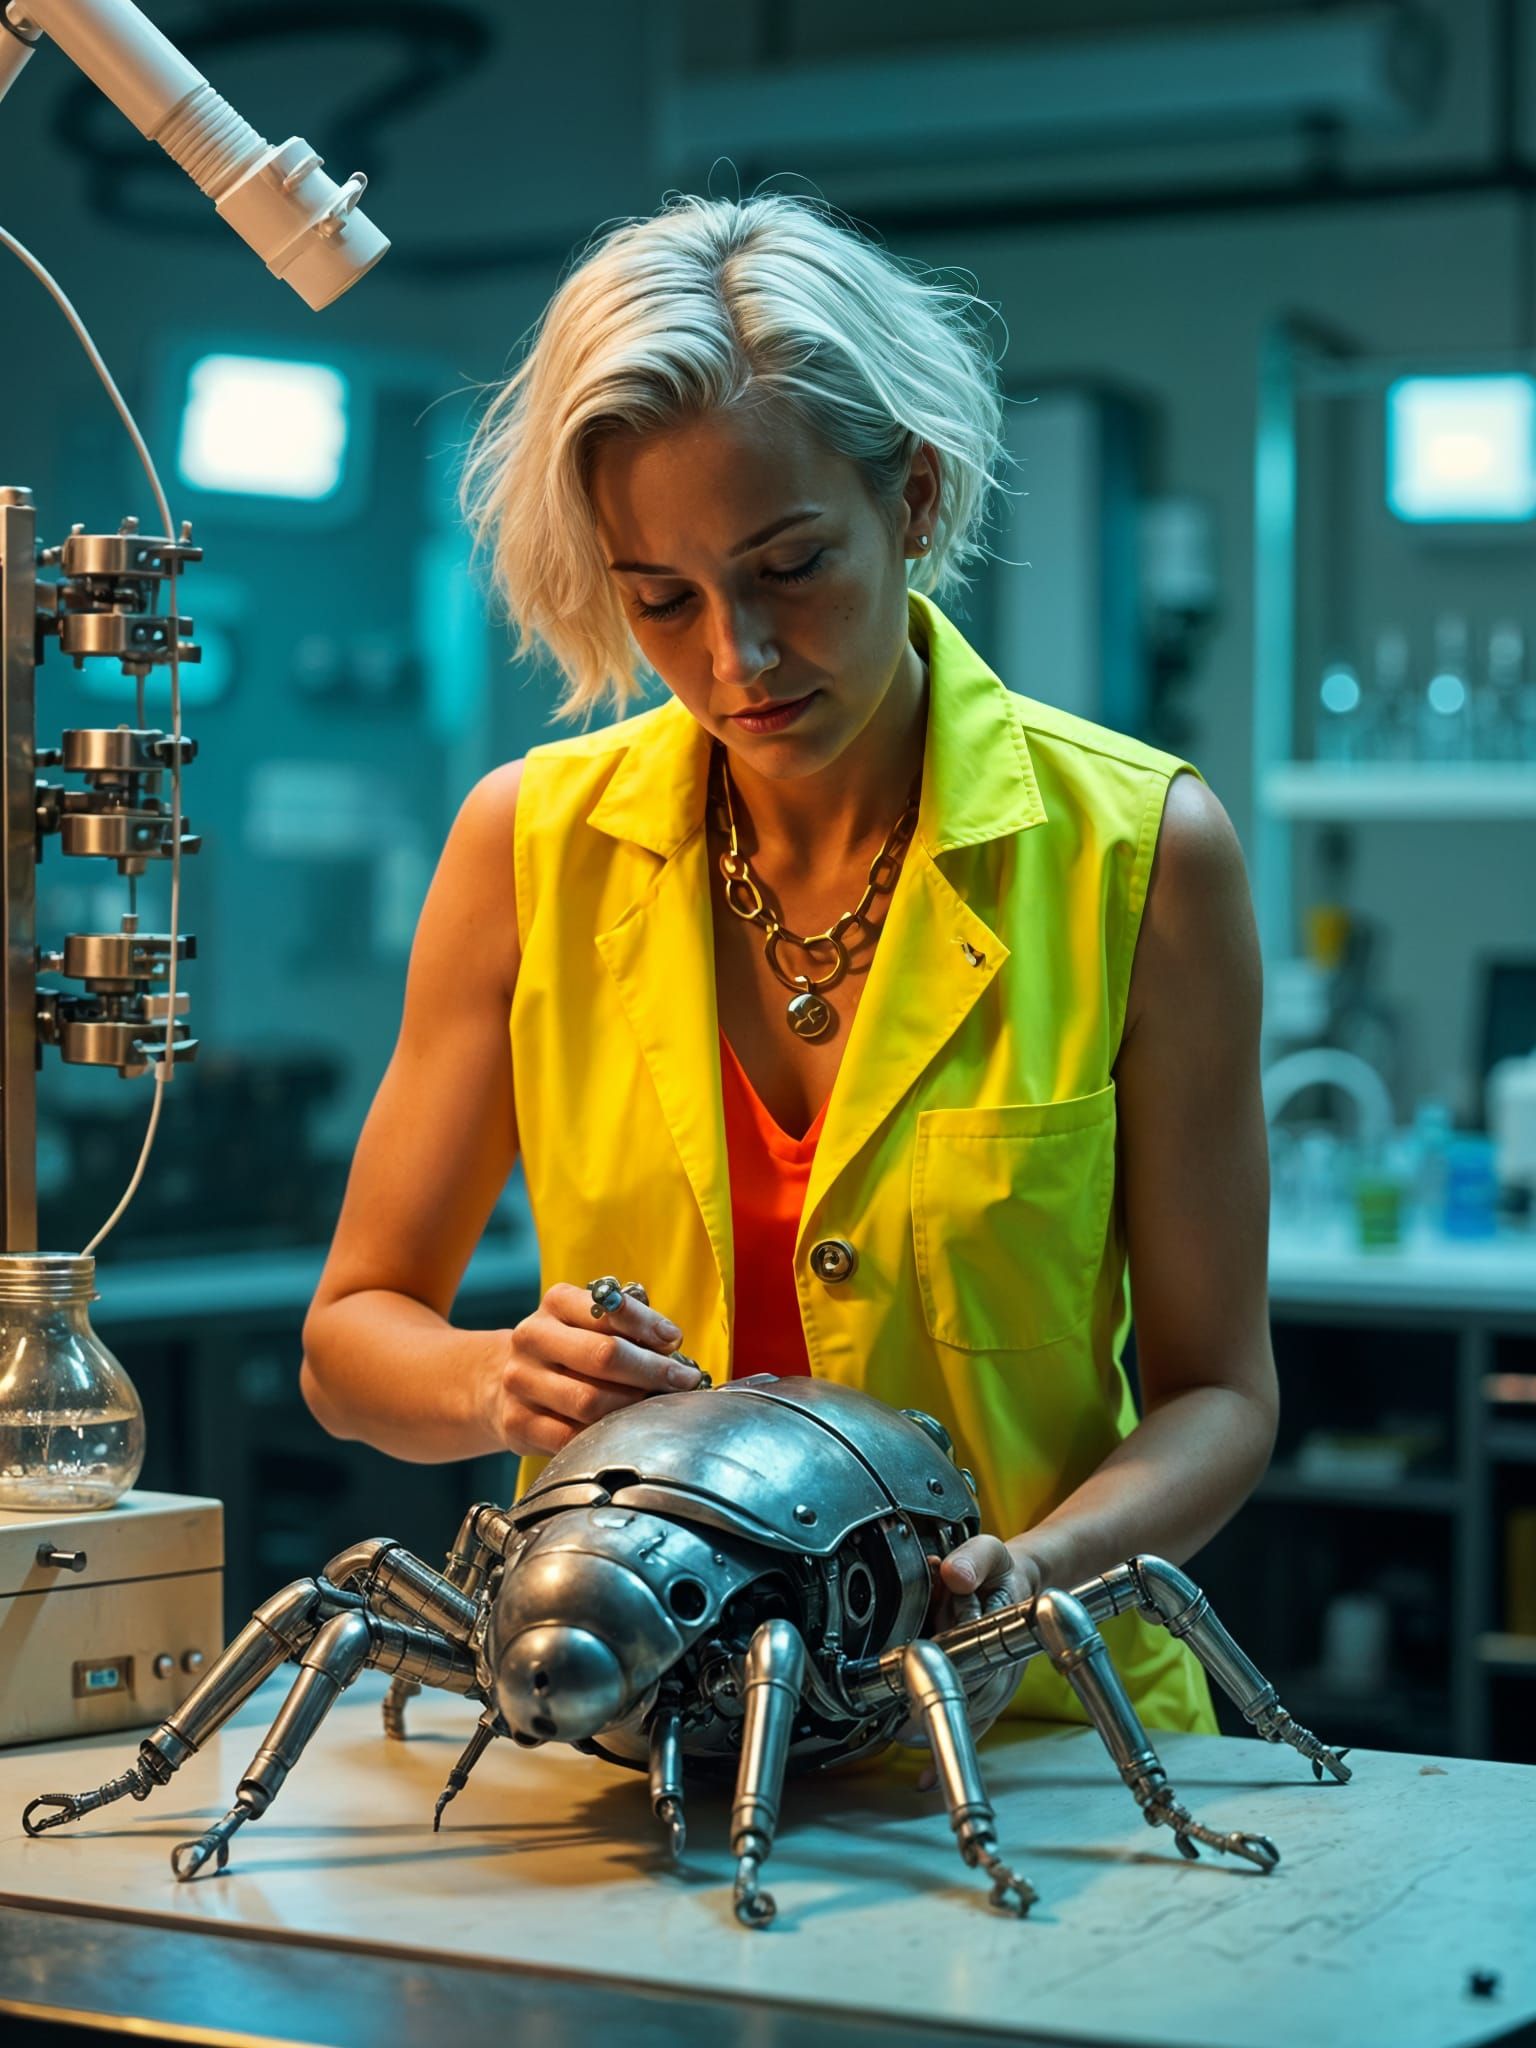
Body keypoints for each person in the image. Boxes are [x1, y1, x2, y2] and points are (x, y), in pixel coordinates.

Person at [300, 192, 1278, 1734]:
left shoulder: (1140, 855)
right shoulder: (526, 847)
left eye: (790, 567)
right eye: (663, 601)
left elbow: (1223, 1396)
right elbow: (353, 1341)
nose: (735, 660)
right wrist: (499, 1383)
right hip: (634, 1734)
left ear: (914, 497)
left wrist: (1039, 1576)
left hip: (1034, 1742)